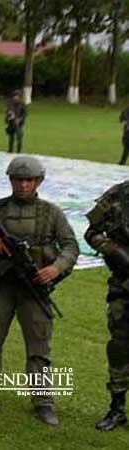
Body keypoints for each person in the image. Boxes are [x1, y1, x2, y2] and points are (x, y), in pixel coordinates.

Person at [0, 156, 79, 425]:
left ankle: (43, 402)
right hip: (0, 287)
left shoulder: (52, 213)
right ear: (10, 180)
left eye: (28, 180)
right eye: (18, 179)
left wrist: (56, 268)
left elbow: (71, 246)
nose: (23, 185)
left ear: (38, 182)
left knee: (39, 346)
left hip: (33, 289)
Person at [85, 181, 129, 431]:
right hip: (123, 286)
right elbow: (91, 232)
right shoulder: (118, 194)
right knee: (120, 347)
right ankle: (117, 408)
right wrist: (111, 249)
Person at [5, 89, 27, 154]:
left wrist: (20, 119)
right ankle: (10, 150)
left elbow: (25, 114)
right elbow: (7, 111)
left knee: (19, 136)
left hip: (18, 124)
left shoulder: (22, 104)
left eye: (17, 96)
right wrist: (9, 114)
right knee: (11, 137)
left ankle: (19, 150)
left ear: (19, 97)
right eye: (14, 96)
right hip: (11, 123)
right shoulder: (10, 103)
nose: (15, 97)